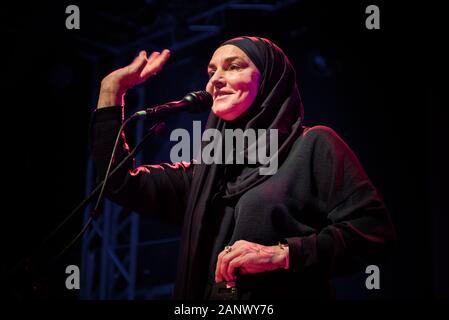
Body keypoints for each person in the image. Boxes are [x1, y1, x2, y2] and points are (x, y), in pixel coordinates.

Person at [91, 36, 396, 300]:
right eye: (211, 72)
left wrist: (284, 254)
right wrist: (111, 91)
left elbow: (374, 232)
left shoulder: (313, 146)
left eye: (233, 66)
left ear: (269, 79)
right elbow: (118, 184)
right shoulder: (206, 173)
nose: (215, 80)